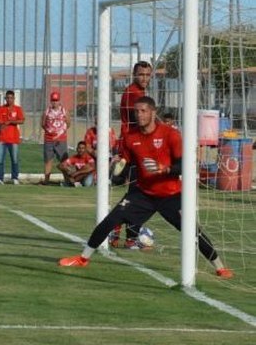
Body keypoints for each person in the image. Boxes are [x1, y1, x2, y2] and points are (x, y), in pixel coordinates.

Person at [58, 96, 234, 279]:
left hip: (171, 195)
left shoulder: (170, 134)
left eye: (143, 111)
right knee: (110, 220)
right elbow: (126, 162)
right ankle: (83, 258)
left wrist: (163, 169)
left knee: (192, 231)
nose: (139, 114)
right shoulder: (130, 136)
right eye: (137, 111)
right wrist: (118, 164)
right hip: (142, 193)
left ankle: (220, 267)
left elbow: (184, 165)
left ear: (153, 112)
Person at [111, 61, 153, 247]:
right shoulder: (133, 94)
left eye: (147, 75)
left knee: (137, 192)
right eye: (141, 74)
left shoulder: (137, 92)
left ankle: (124, 234)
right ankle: (123, 233)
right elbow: (141, 123)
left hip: (133, 147)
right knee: (138, 193)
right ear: (134, 75)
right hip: (133, 148)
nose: (144, 78)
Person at [0, 90, 25, 185]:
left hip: (13, 139)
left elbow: (22, 120)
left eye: (11, 98)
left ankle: (14, 178)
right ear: (5, 98)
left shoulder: (17, 109)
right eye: (8, 98)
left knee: (14, 159)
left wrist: (11, 122)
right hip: (2, 139)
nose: (9, 100)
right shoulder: (1, 109)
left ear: (14, 99)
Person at [39, 91, 70, 185]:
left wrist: (60, 131)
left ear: (59, 101)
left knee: (63, 160)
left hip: (61, 139)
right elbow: (43, 123)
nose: (54, 102)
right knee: (48, 160)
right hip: (49, 139)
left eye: (56, 100)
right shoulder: (47, 111)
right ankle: (46, 180)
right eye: (53, 100)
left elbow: (68, 123)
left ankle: (67, 180)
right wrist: (50, 131)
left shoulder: (64, 110)